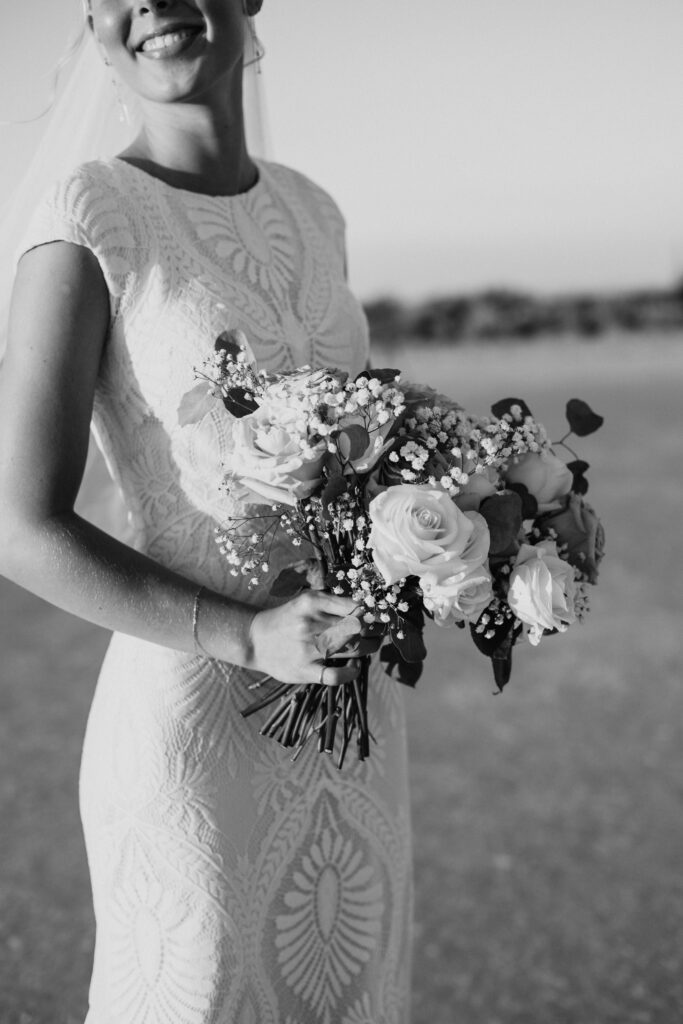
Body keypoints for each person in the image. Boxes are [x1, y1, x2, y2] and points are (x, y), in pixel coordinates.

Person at [0, 1, 413, 1021]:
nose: (152, 5)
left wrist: (457, 514)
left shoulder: (314, 209)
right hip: (192, 715)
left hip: (347, 714)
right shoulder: (88, 216)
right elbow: (18, 526)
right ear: (97, 31)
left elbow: (362, 441)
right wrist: (244, 632)